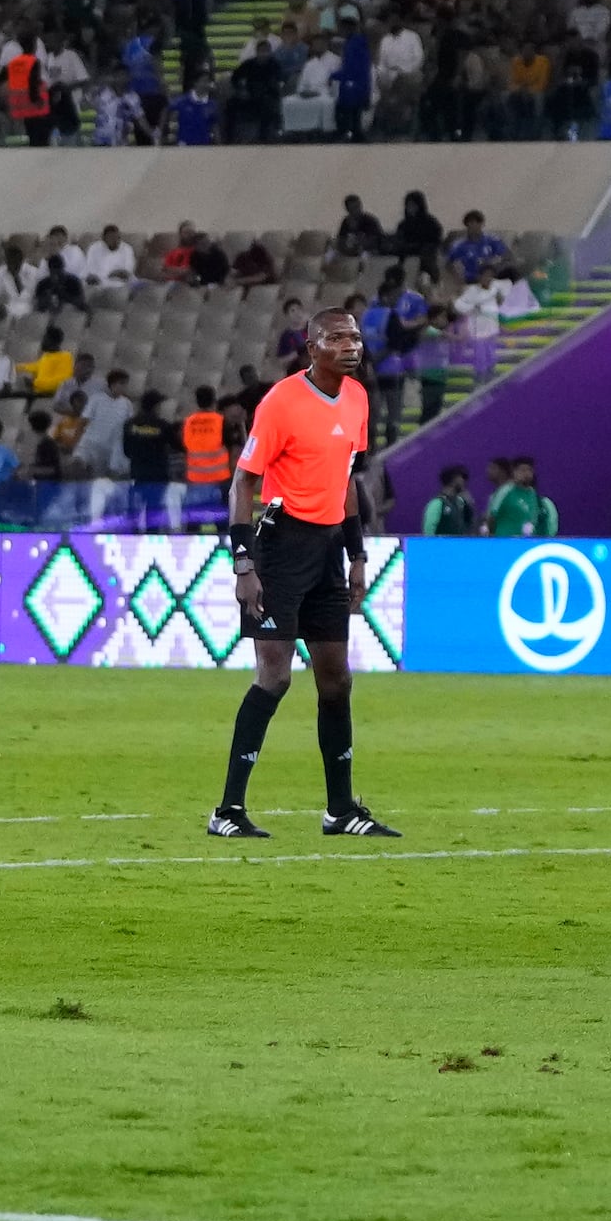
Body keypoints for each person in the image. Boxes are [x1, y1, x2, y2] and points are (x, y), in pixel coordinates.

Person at [209, 306, 393, 841]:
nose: (351, 345)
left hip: (329, 549)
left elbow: (349, 481)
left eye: (354, 337)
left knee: (337, 677)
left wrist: (357, 557)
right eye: (337, 338)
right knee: (276, 675)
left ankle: (341, 811)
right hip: (281, 547)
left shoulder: (357, 399)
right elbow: (242, 485)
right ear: (312, 347)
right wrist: (243, 563)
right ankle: (228, 811)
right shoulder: (281, 402)